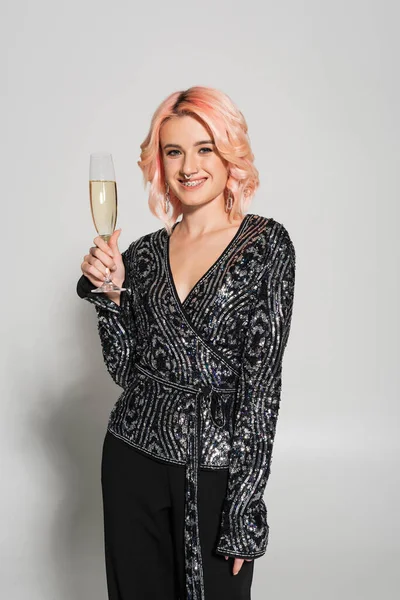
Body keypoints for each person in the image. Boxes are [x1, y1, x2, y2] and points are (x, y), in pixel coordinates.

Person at [77, 86, 296, 600]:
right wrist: (109, 297)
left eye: (204, 148)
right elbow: (127, 371)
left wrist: (244, 507)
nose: (188, 165)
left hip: (217, 469)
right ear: (159, 162)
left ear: (229, 155)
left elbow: (262, 387)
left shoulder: (266, 245)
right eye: (173, 151)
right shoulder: (145, 255)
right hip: (131, 459)